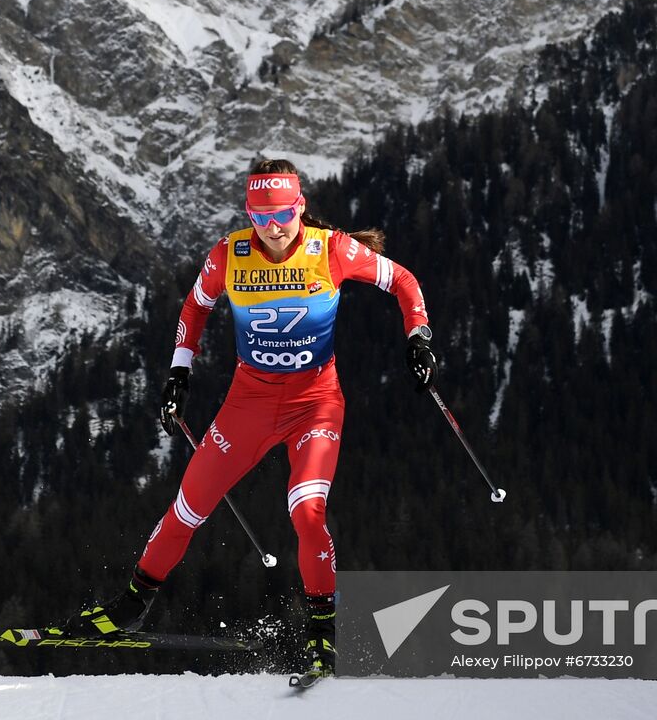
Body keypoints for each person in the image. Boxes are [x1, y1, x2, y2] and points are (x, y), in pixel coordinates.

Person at [68, 159, 436, 676]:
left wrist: (418, 337)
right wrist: (179, 373)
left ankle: (322, 637)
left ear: (300, 208)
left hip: (316, 404)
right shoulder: (229, 255)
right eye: (260, 217)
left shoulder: (331, 250)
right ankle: (131, 606)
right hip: (249, 404)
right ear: (248, 215)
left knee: (306, 513)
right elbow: (194, 309)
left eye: (283, 214)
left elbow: (404, 281)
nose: (273, 227)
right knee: (187, 509)